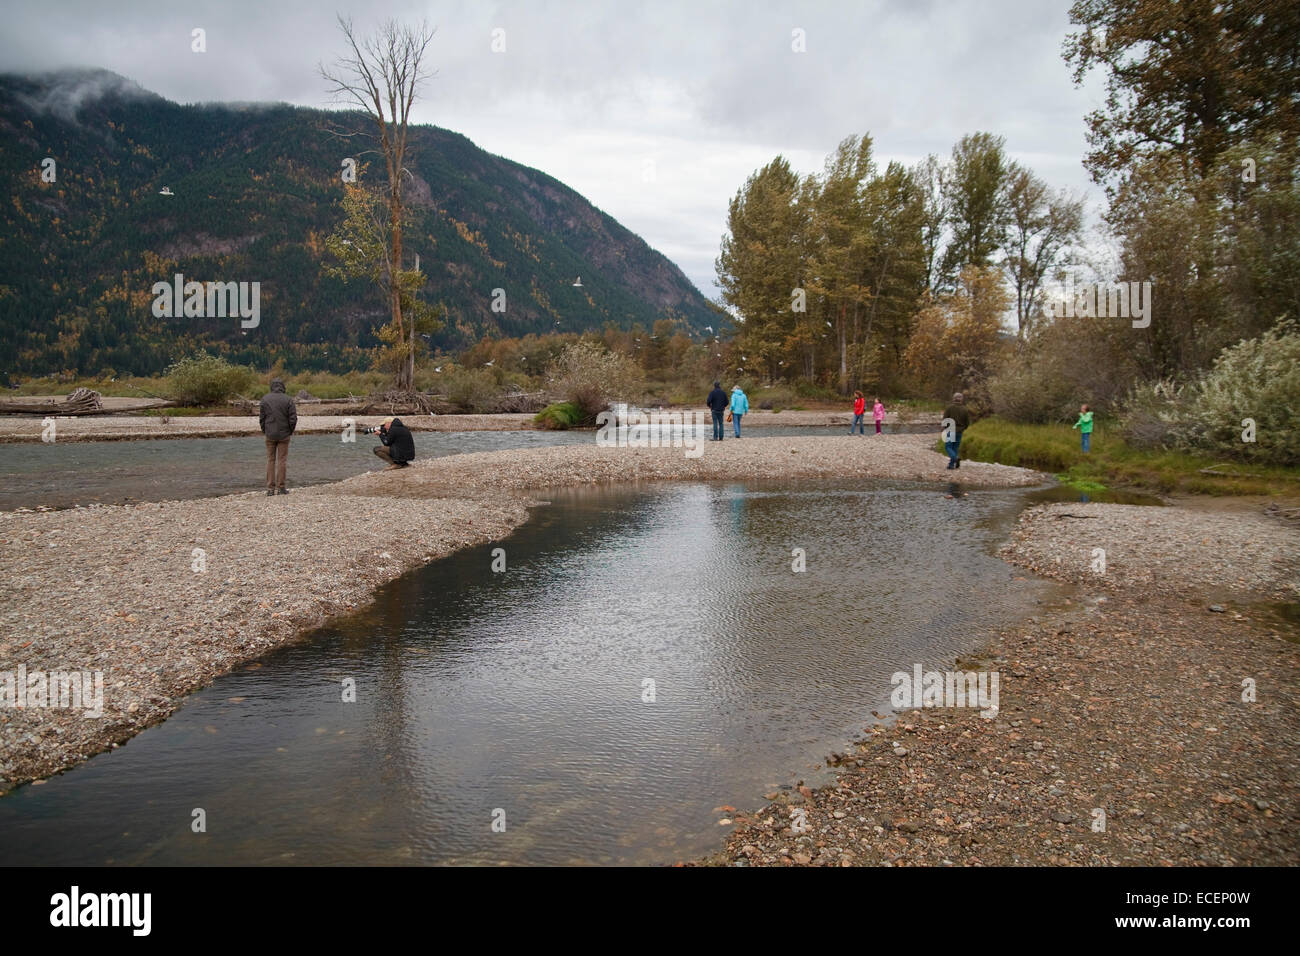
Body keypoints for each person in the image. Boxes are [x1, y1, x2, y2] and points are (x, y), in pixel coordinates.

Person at [258, 377, 297, 495]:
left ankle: (270, 489)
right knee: (282, 461)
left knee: (270, 460)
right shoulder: (288, 400)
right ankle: (281, 488)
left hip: (270, 434)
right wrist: (290, 431)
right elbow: (293, 418)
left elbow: (262, 419)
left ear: (272, 387)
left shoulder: (265, 399)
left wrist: (265, 430)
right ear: (282, 387)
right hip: (284, 434)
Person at [941, 391, 971, 470]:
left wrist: (944, 428)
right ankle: (951, 465)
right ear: (961, 399)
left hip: (950, 429)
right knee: (955, 448)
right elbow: (967, 422)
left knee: (948, 447)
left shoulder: (949, 408)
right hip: (959, 431)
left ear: (954, 399)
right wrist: (963, 428)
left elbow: (945, 419)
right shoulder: (965, 409)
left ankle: (955, 458)